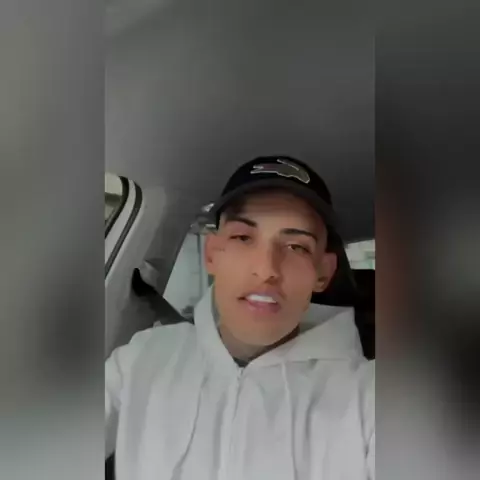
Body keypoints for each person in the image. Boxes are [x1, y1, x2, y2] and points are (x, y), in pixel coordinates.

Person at [105, 156, 375, 480]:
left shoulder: (367, 394)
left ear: (323, 273)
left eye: (296, 247)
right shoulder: (141, 359)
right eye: (243, 238)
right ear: (212, 255)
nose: (266, 269)